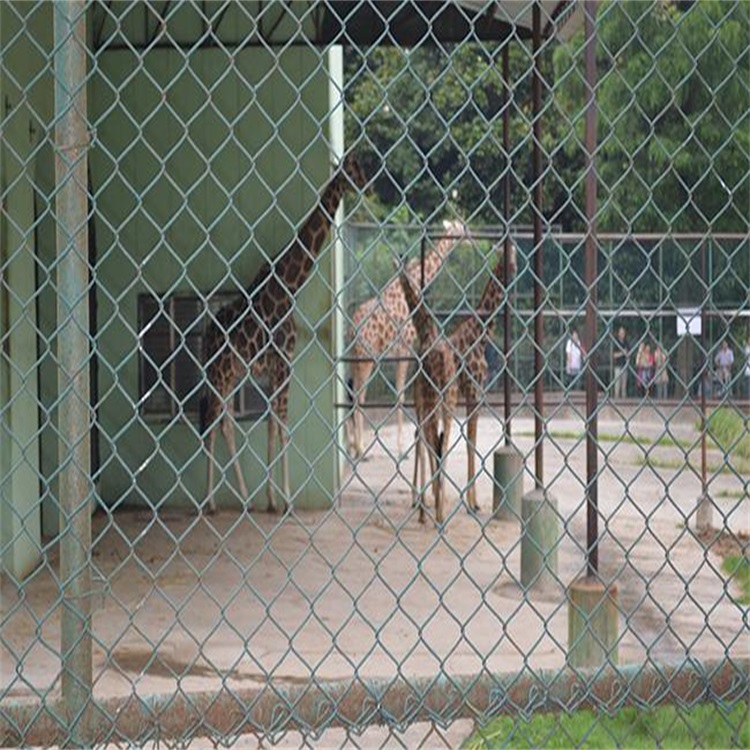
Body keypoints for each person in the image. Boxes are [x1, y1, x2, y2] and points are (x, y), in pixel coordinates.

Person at [612, 326, 630, 399]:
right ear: (618, 334)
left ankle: (623, 399)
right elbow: (614, 355)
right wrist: (622, 353)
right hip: (617, 365)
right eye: (621, 333)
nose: (622, 334)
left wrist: (625, 353)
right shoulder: (616, 342)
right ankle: (616, 398)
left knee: (624, 384)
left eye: (623, 333)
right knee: (617, 383)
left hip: (624, 365)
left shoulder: (626, 342)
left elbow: (628, 353)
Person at [744, 335, 750, 401]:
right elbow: (747, 355)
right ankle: (748, 397)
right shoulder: (747, 348)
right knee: (748, 383)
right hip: (748, 367)